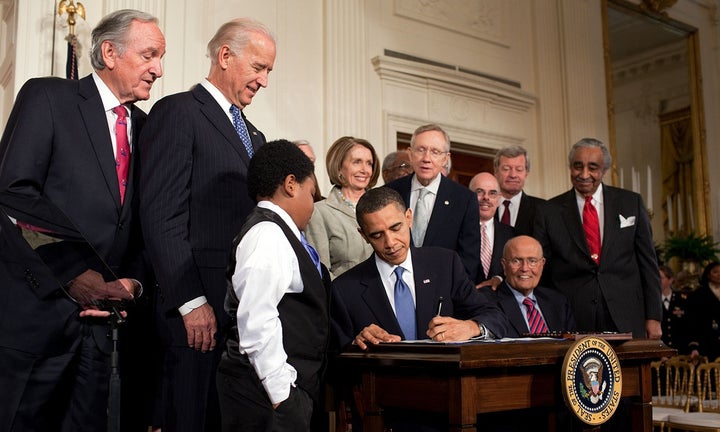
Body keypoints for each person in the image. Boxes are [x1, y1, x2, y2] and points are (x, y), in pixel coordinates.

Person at [0, 9, 165, 431]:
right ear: (109, 52)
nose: (158, 70)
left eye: (160, 58)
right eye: (149, 55)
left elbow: (148, 224)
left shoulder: (150, 130)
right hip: (38, 321)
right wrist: (73, 276)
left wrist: (134, 283)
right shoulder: (49, 98)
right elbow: (14, 195)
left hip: (108, 335)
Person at [138, 18, 276, 431]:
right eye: (259, 67)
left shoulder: (257, 136)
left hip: (240, 313)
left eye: (269, 71)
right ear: (225, 55)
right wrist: (190, 301)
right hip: (194, 315)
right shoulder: (178, 111)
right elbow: (161, 215)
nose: (264, 81)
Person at [217, 139, 329, 432]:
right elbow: (257, 319)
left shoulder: (276, 232)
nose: (312, 204)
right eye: (311, 193)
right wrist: (283, 395)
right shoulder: (267, 234)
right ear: (291, 184)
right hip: (268, 399)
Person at [331, 187, 508, 350]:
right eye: (377, 235)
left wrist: (470, 327)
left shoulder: (445, 264)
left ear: (409, 217)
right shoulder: (344, 289)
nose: (390, 243)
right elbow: (334, 353)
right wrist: (356, 344)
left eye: (396, 228)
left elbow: (495, 317)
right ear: (364, 235)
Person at [534, 138, 662, 339]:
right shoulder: (548, 211)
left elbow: (648, 263)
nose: (584, 174)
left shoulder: (631, 203)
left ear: (604, 170)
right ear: (570, 168)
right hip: (571, 317)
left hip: (626, 315)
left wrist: (654, 316)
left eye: (592, 167)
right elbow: (542, 269)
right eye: (578, 166)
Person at [385, 124, 480, 280]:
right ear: (410, 154)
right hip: (396, 286)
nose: (426, 158)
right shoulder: (390, 192)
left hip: (444, 291)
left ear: (445, 159)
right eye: (421, 150)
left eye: (435, 152)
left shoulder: (464, 200)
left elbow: (469, 260)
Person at [304, 136, 379, 278]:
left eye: (369, 163)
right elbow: (321, 271)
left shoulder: (384, 206)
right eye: (357, 162)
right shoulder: (319, 212)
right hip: (345, 297)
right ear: (339, 167)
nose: (365, 170)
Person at [483, 236, 575, 338]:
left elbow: (572, 346)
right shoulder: (486, 302)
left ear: (542, 264)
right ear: (504, 265)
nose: (525, 268)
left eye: (532, 261)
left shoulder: (558, 302)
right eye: (516, 261)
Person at [468, 172, 515, 289]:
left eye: (492, 193)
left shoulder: (512, 235)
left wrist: (499, 278)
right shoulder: (455, 231)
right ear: (468, 196)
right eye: (479, 192)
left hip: (499, 302)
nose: (486, 198)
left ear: (499, 199)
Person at [494, 145, 545, 236]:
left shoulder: (543, 209)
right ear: (496, 172)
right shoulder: (483, 206)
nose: (513, 175)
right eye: (506, 169)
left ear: (526, 173)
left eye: (519, 169)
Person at [687, 261, 720, 361]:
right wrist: (694, 346)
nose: (719, 275)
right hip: (706, 343)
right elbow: (693, 321)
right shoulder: (698, 294)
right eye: (715, 272)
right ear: (708, 275)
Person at [659, 265, 690, 353]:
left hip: (680, 350)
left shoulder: (682, 299)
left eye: (661, 278)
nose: (657, 280)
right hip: (660, 350)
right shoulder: (652, 300)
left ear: (670, 280)